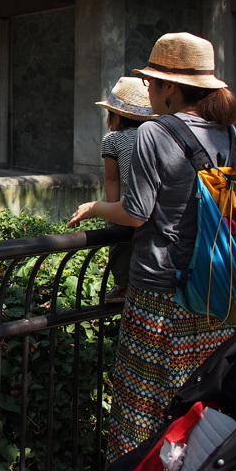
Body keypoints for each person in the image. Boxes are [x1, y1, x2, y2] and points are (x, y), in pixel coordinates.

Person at [67, 32, 236, 464]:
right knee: (196, 404)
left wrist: (93, 208)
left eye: (151, 81)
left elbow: (136, 213)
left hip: (159, 291)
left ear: (169, 87)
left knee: (140, 407)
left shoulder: (154, 133)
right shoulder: (231, 134)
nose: (146, 88)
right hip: (214, 289)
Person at [95, 77, 154, 303]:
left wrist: (111, 212)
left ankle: (122, 287)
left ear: (115, 115)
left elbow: (112, 179)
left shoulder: (113, 139)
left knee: (120, 238)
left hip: (133, 200)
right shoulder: (158, 135)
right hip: (157, 202)